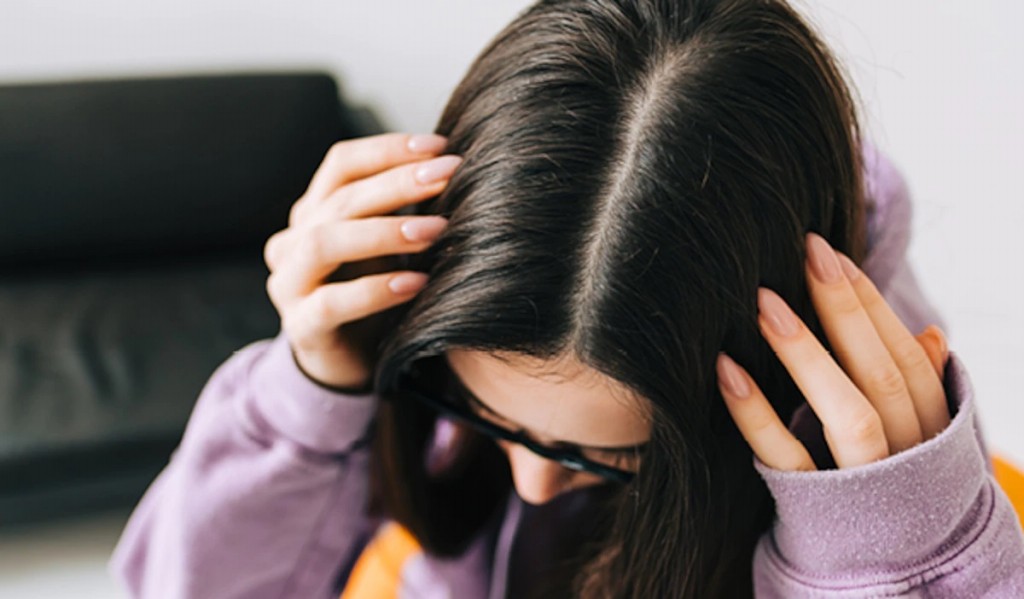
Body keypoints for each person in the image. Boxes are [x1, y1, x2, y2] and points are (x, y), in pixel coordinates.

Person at [109, 0, 1024, 596]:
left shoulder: (884, 469)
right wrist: (305, 397)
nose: (535, 482)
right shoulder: (451, 317)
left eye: (604, 452)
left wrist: (897, 564)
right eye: (477, 410)